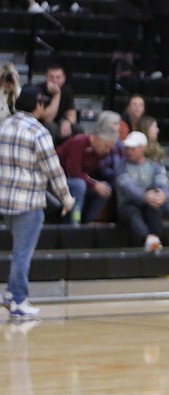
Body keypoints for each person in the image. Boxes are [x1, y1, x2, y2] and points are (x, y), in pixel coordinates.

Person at [0, 88, 74, 321]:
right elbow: (53, 169)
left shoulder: (4, 126)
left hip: (5, 201)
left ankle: (11, 294)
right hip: (29, 202)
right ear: (38, 106)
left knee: (17, 250)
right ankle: (19, 301)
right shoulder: (38, 132)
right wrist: (66, 197)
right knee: (23, 253)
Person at [57, 120, 119, 224]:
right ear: (98, 139)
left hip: (79, 179)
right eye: (106, 146)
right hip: (58, 179)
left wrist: (97, 184)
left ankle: (88, 222)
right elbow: (73, 172)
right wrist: (94, 184)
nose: (108, 151)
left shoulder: (101, 151)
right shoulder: (79, 142)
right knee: (79, 185)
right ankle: (73, 222)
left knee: (106, 188)